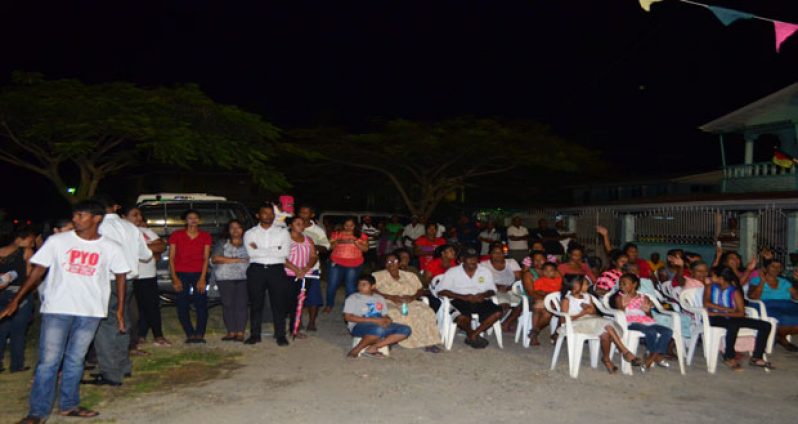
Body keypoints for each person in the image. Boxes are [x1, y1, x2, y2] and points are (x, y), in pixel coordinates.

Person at [0, 200, 130, 422]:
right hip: (57, 309)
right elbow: (37, 271)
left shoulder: (110, 246)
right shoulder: (58, 241)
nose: (76, 219)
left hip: (90, 311)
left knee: (75, 360)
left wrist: (119, 310)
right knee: (49, 361)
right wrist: (16, 299)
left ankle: (69, 405)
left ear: (97, 218)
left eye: (81, 215)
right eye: (75, 215)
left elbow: (121, 276)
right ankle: (37, 412)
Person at [88, 197, 151, 387]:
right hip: (129, 281)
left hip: (106, 281)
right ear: (115, 207)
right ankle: (123, 366)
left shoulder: (97, 227)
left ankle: (110, 373)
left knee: (105, 326)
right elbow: (146, 255)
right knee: (122, 321)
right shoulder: (130, 227)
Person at [560, 274, 641, 374]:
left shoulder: (587, 296)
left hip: (591, 322)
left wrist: (589, 310)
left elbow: (593, 313)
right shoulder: (567, 300)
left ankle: (607, 359)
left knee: (606, 333)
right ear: (576, 285)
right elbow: (564, 320)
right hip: (576, 324)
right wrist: (582, 313)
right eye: (586, 284)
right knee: (607, 325)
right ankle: (625, 352)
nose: (588, 286)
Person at [704, 267, 774, 370]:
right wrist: (727, 309)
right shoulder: (710, 287)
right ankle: (729, 356)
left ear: (721, 278)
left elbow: (741, 313)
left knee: (766, 325)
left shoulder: (734, 291)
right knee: (733, 324)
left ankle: (757, 357)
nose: (710, 277)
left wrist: (726, 312)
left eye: (713, 276)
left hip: (731, 317)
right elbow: (706, 303)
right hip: (714, 317)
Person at [244, 203, 293, 346]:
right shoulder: (250, 233)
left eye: (271, 213)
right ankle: (255, 334)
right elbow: (251, 253)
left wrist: (261, 249)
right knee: (256, 304)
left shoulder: (283, 232)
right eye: (265, 213)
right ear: (258, 215)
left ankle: (280, 335)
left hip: (276, 270)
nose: (269, 216)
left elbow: (284, 253)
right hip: (256, 270)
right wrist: (273, 249)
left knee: (278, 304)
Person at [373, 253, 441, 352]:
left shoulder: (410, 275)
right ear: (385, 264)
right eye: (389, 261)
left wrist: (413, 297)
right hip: (387, 301)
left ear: (399, 263)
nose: (392, 264)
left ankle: (429, 342)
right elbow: (372, 290)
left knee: (426, 312)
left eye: (395, 261)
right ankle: (392, 340)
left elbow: (420, 289)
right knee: (395, 313)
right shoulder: (377, 276)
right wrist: (390, 297)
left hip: (409, 301)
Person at [436, 249, 502, 349]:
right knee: (461, 317)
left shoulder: (485, 271)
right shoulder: (453, 272)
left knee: (497, 312)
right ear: (462, 259)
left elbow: (492, 290)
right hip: (459, 299)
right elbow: (441, 291)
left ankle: (474, 334)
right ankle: (471, 333)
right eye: (469, 258)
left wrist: (482, 295)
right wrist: (463, 297)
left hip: (480, 299)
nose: (473, 260)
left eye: (475, 258)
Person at [124, 207, 170, 348]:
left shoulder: (145, 231)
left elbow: (161, 246)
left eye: (140, 215)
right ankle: (137, 336)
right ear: (124, 217)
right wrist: (150, 249)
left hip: (148, 275)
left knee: (151, 306)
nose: (138, 218)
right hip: (130, 276)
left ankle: (158, 335)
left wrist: (143, 248)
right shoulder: (123, 232)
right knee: (134, 310)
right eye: (134, 215)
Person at [168, 209, 212, 344]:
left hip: (199, 273)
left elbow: (206, 258)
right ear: (185, 220)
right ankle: (189, 333)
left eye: (195, 218)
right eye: (190, 218)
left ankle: (199, 334)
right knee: (182, 304)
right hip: (181, 273)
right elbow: (171, 258)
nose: (193, 220)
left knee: (201, 304)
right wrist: (174, 278)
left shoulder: (205, 236)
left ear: (199, 220)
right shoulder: (176, 235)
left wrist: (203, 278)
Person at [344, 275, 411, 359]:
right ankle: (356, 350)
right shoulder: (353, 298)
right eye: (359, 284)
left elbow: (384, 315)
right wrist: (374, 321)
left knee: (405, 330)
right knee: (378, 329)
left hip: (378, 325)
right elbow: (348, 317)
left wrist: (387, 320)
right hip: (358, 326)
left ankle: (374, 347)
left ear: (373, 286)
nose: (360, 287)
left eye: (364, 284)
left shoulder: (379, 298)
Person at [616, 273, 673, 370]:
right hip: (631, 322)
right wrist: (624, 306)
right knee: (651, 331)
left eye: (624, 284)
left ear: (634, 284)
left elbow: (649, 316)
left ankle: (651, 357)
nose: (621, 286)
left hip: (646, 321)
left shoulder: (644, 297)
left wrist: (647, 311)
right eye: (620, 284)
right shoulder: (620, 297)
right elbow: (620, 315)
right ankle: (655, 357)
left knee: (668, 331)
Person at [0, 227, 35, 373]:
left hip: (2, 294)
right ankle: (17, 365)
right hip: (20, 296)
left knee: (1, 330)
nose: (32, 244)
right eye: (30, 240)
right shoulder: (26, 252)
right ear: (20, 239)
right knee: (18, 332)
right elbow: (29, 275)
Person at [747, 258, 798, 351]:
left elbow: (796, 297)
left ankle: (779, 336)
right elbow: (753, 297)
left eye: (779, 267)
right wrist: (762, 282)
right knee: (786, 318)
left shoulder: (784, 282)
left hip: (787, 305)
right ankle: (781, 337)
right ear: (766, 268)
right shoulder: (756, 280)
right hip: (767, 305)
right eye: (773, 266)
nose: (776, 269)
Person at [211, 219, 250, 342]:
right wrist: (238, 259)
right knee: (228, 305)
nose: (235, 230)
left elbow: (253, 257)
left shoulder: (248, 243)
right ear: (228, 230)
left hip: (244, 278)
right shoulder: (222, 243)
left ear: (243, 229)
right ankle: (231, 332)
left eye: (238, 227)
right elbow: (216, 258)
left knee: (242, 306)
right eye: (232, 227)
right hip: (225, 278)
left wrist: (226, 259)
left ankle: (240, 332)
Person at [324, 217, 368, 313]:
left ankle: (349, 307)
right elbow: (329, 247)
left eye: (351, 225)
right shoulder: (336, 234)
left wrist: (357, 243)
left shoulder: (361, 235)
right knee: (332, 285)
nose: (348, 227)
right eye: (346, 225)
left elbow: (365, 249)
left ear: (355, 225)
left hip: (354, 264)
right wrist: (336, 242)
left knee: (350, 287)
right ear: (342, 225)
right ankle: (329, 305)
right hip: (336, 263)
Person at [284, 216, 319, 336]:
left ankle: (295, 328)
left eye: (302, 223)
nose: (301, 225)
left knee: (299, 302)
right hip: (289, 274)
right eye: (297, 223)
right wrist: (296, 270)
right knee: (288, 301)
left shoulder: (308, 239)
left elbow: (314, 256)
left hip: (305, 275)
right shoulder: (285, 239)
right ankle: (283, 327)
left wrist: (306, 268)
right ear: (290, 225)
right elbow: (281, 258)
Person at [299, 205, 330, 330]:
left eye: (306, 212)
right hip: (295, 268)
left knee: (313, 297)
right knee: (296, 296)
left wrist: (314, 247)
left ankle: (312, 322)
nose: (303, 215)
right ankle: (298, 321)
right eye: (301, 212)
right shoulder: (293, 228)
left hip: (312, 268)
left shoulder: (318, 230)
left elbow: (326, 246)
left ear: (312, 215)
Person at [481, 243, 522, 332]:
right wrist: (497, 286)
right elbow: (482, 280)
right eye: (495, 253)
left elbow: (519, 278)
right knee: (504, 302)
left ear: (504, 254)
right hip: (493, 288)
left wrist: (510, 287)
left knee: (521, 303)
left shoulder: (511, 262)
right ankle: (497, 321)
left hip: (511, 287)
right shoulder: (484, 264)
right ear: (490, 254)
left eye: (500, 252)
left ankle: (506, 322)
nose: (498, 255)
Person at [522, 262, 562, 346]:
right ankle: (534, 334)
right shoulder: (540, 281)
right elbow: (536, 291)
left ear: (555, 272)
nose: (548, 272)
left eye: (551, 271)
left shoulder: (558, 280)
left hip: (554, 302)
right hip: (543, 299)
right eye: (546, 270)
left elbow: (560, 291)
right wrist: (545, 294)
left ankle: (534, 331)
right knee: (538, 307)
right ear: (542, 272)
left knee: (548, 313)